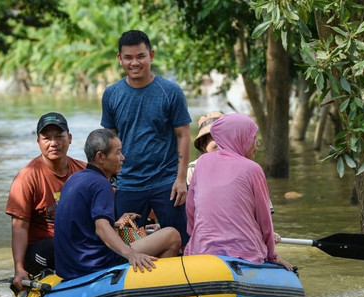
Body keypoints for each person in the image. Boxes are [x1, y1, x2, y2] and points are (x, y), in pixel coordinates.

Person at [101, 30, 192, 246]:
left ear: (151, 55)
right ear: (119, 59)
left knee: (182, 241)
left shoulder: (170, 91)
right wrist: (107, 181)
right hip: (128, 183)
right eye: (128, 57)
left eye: (140, 56)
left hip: (166, 181)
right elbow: (109, 140)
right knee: (124, 245)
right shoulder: (111, 94)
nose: (135, 62)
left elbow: (184, 135)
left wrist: (181, 180)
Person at [54, 129, 181, 280]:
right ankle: (156, 283)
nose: (122, 158)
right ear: (101, 157)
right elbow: (101, 228)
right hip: (93, 265)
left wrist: (114, 224)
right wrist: (131, 254)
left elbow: (82, 224)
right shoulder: (101, 184)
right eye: (118, 153)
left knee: (149, 235)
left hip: (70, 267)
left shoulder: (74, 179)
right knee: (172, 235)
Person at [184, 113, 292, 270]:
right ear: (239, 138)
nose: (258, 143)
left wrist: (196, 241)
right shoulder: (253, 168)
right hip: (244, 251)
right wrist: (272, 255)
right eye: (253, 138)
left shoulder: (201, 163)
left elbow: (190, 211)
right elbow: (264, 220)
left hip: (202, 249)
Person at [6, 112, 86, 290]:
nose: (54, 143)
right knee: (58, 244)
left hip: (78, 242)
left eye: (59, 137)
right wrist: (19, 269)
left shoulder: (84, 171)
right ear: (38, 142)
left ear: (70, 138)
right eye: (47, 138)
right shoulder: (26, 178)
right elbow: (19, 227)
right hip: (43, 250)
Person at [187, 111, 224, 185]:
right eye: (216, 138)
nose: (221, 143)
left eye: (225, 137)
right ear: (203, 143)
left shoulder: (240, 168)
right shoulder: (193, 169)